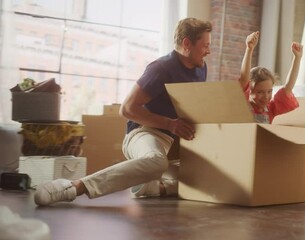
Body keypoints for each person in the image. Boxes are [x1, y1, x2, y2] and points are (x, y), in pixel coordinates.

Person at [34, 18, 212, 206]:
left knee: (214, 177)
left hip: (173, 143)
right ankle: (74, 187)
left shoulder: (201, 69)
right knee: (157, 162)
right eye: (205, 46)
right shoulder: (161, 68)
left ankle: (153, 188)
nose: (208, 51)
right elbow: (127, 108)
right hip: (144, 133)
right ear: (186, 44)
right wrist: (170, 124)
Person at [239, 31, 303, 123]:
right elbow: (244, 78)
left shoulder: (271, 108)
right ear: (250, 90)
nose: (266, 96)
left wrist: (297, 58)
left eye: (269, 91)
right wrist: (249, 49)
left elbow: (288, 87)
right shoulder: (242, 104)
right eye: (260, 92)